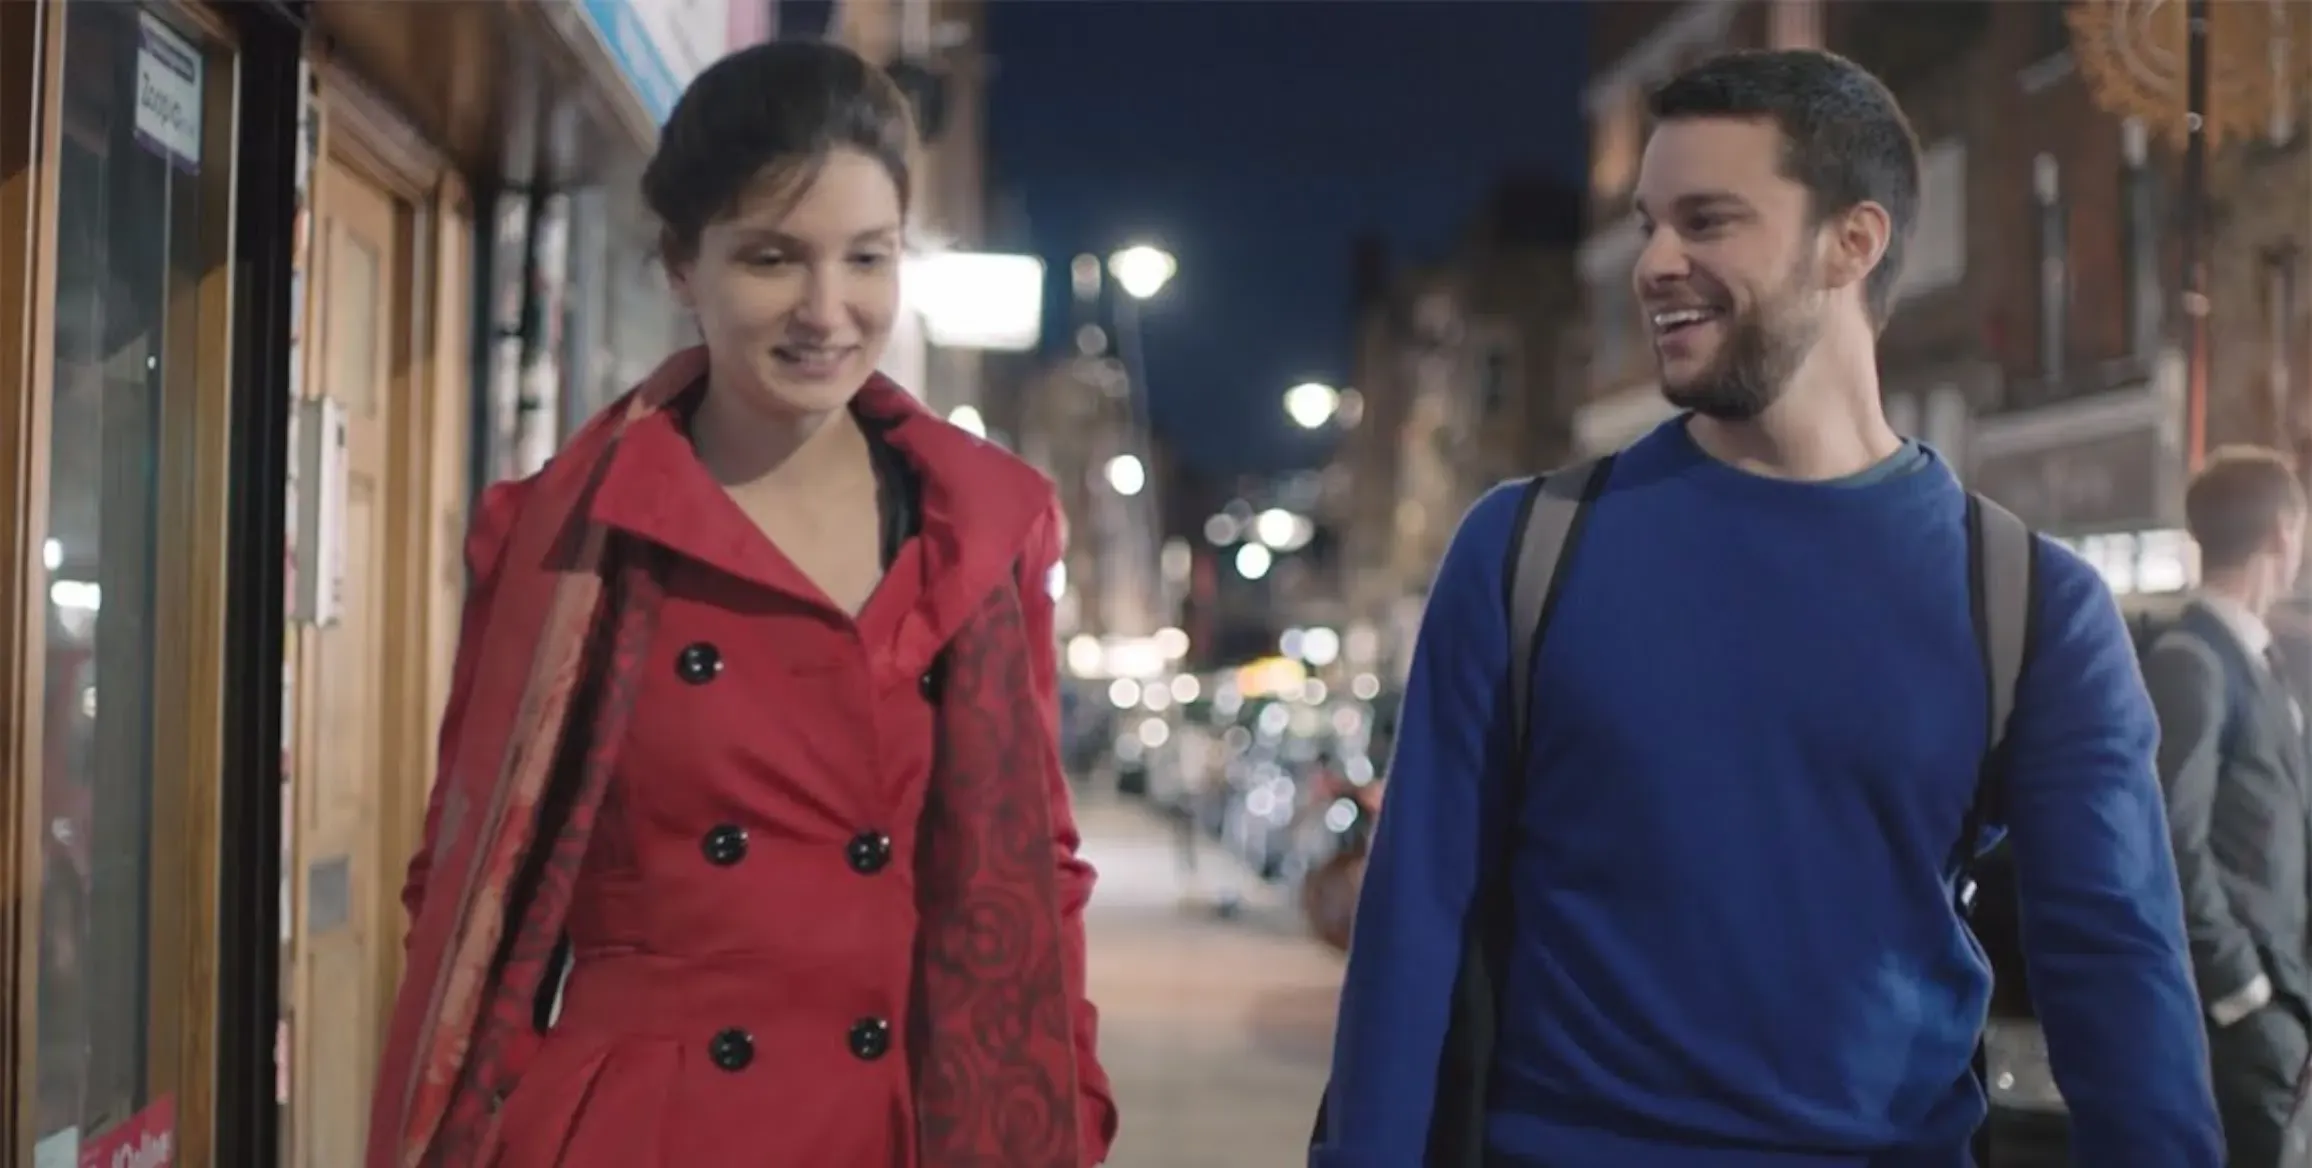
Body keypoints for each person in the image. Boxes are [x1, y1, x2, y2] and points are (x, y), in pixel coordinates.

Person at [1314, 48, 2221, 1168]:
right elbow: (1409, 941)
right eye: (1648, 222)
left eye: (1706, 221)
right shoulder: (1523, 551)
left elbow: (2122, 989)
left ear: (1853, 240)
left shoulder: (2030, 604)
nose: (1654, 263)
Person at [365, 42, 1116, 1168]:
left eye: (865, 259)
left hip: (905, 1118)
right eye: (772, 258)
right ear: (682, 265)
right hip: (650, 1130)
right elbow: (469, 879)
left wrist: (1073, 1095)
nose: (826, 310)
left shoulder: (982, 531)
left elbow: (1037, 866)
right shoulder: (565, 537)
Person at [2143, 446, 2312, 1165]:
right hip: (2246, 1016)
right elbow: (2171, 843)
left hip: (2282, 1006)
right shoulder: (2194, 662)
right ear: (2282, 530)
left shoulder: (2259, 660)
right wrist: (2243, 991)